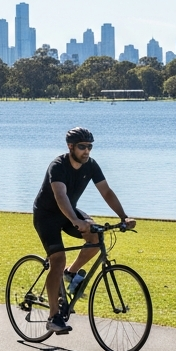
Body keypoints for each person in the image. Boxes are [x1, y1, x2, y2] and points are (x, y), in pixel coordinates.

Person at [32, 127, 135, 334]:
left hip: (68, 211)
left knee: (95, 234)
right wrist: (74, 220)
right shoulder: (58, 166)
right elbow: (60, 196)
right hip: (47, 216)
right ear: (70, 147)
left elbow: (106, 191)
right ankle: (53, 316)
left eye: (89, 147)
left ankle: (70, 273)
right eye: (82, 147)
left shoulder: (91, 165)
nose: (86, 151)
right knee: (57, 260)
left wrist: (123, 217)